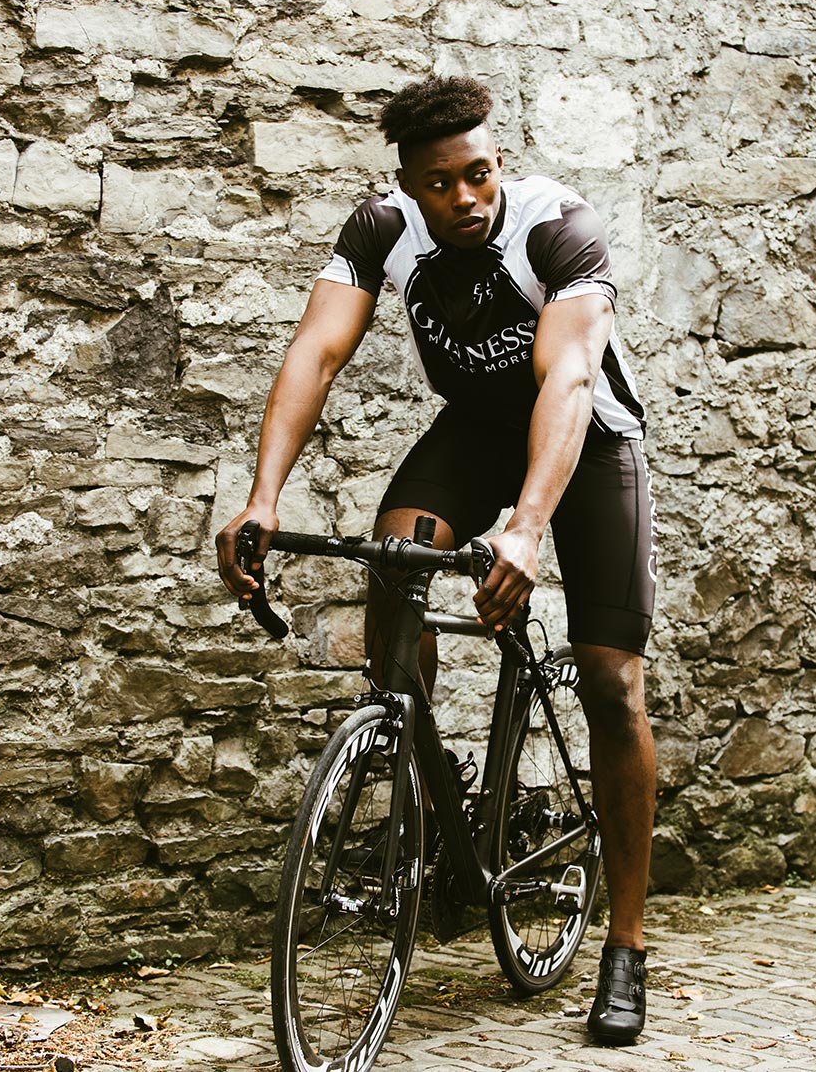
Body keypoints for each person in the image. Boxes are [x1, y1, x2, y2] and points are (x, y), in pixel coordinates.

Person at [215, 74, 657, 1044]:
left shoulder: (555, 228)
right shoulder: (382, 229)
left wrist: (526, 526)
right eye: (441, 183)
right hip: (473, 434)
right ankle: (419, 771)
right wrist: (259, 496)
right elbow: (315, 352)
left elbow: (570, 374)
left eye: (479, 173)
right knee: (394, 560)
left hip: (582, 443)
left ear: (497, 161)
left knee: (608, 676)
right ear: (408, 186)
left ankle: (622, 945)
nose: (466, 198)